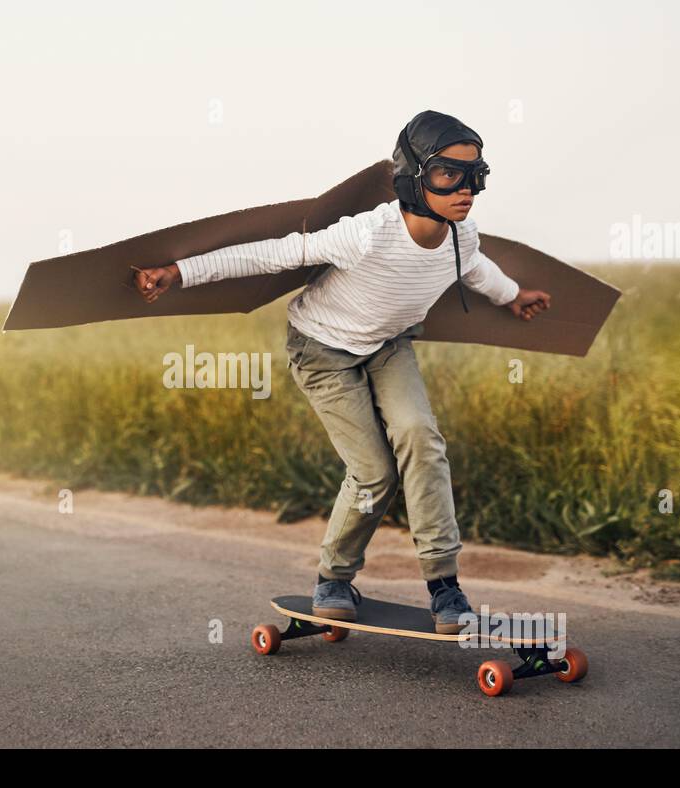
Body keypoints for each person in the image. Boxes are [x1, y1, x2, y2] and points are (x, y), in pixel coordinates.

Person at [132, 110, 550, 633]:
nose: (467, 189)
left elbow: (477, 269)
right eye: (450, 173)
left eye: (476, 174)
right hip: (323, 349)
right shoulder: (367, 235)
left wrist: (514, 298)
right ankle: (333, 579)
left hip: (388, 346)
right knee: (374, 472)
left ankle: (444, 587)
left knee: (422, 437)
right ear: (413, 178)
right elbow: (276, 254)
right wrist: (179, 272)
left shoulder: (462, 235)